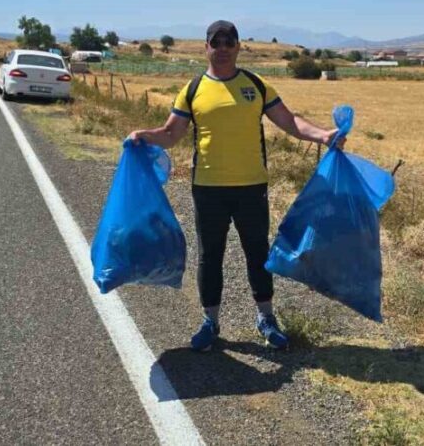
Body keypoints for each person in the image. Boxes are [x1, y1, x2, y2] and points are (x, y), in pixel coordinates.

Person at [128, 20, 342, 351]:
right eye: (217, 42)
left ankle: (266, 319)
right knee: (209, 256)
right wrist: (143, 135)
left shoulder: (255, 85)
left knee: (257, 254)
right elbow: (171, 133)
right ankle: (210, 322)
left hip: (251, 187)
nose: (223, 48)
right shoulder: (193, 88)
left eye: (230, 42)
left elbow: (289, 121)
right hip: (208, 189)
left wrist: (324, 135)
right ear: (206, 47)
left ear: (238, 47)